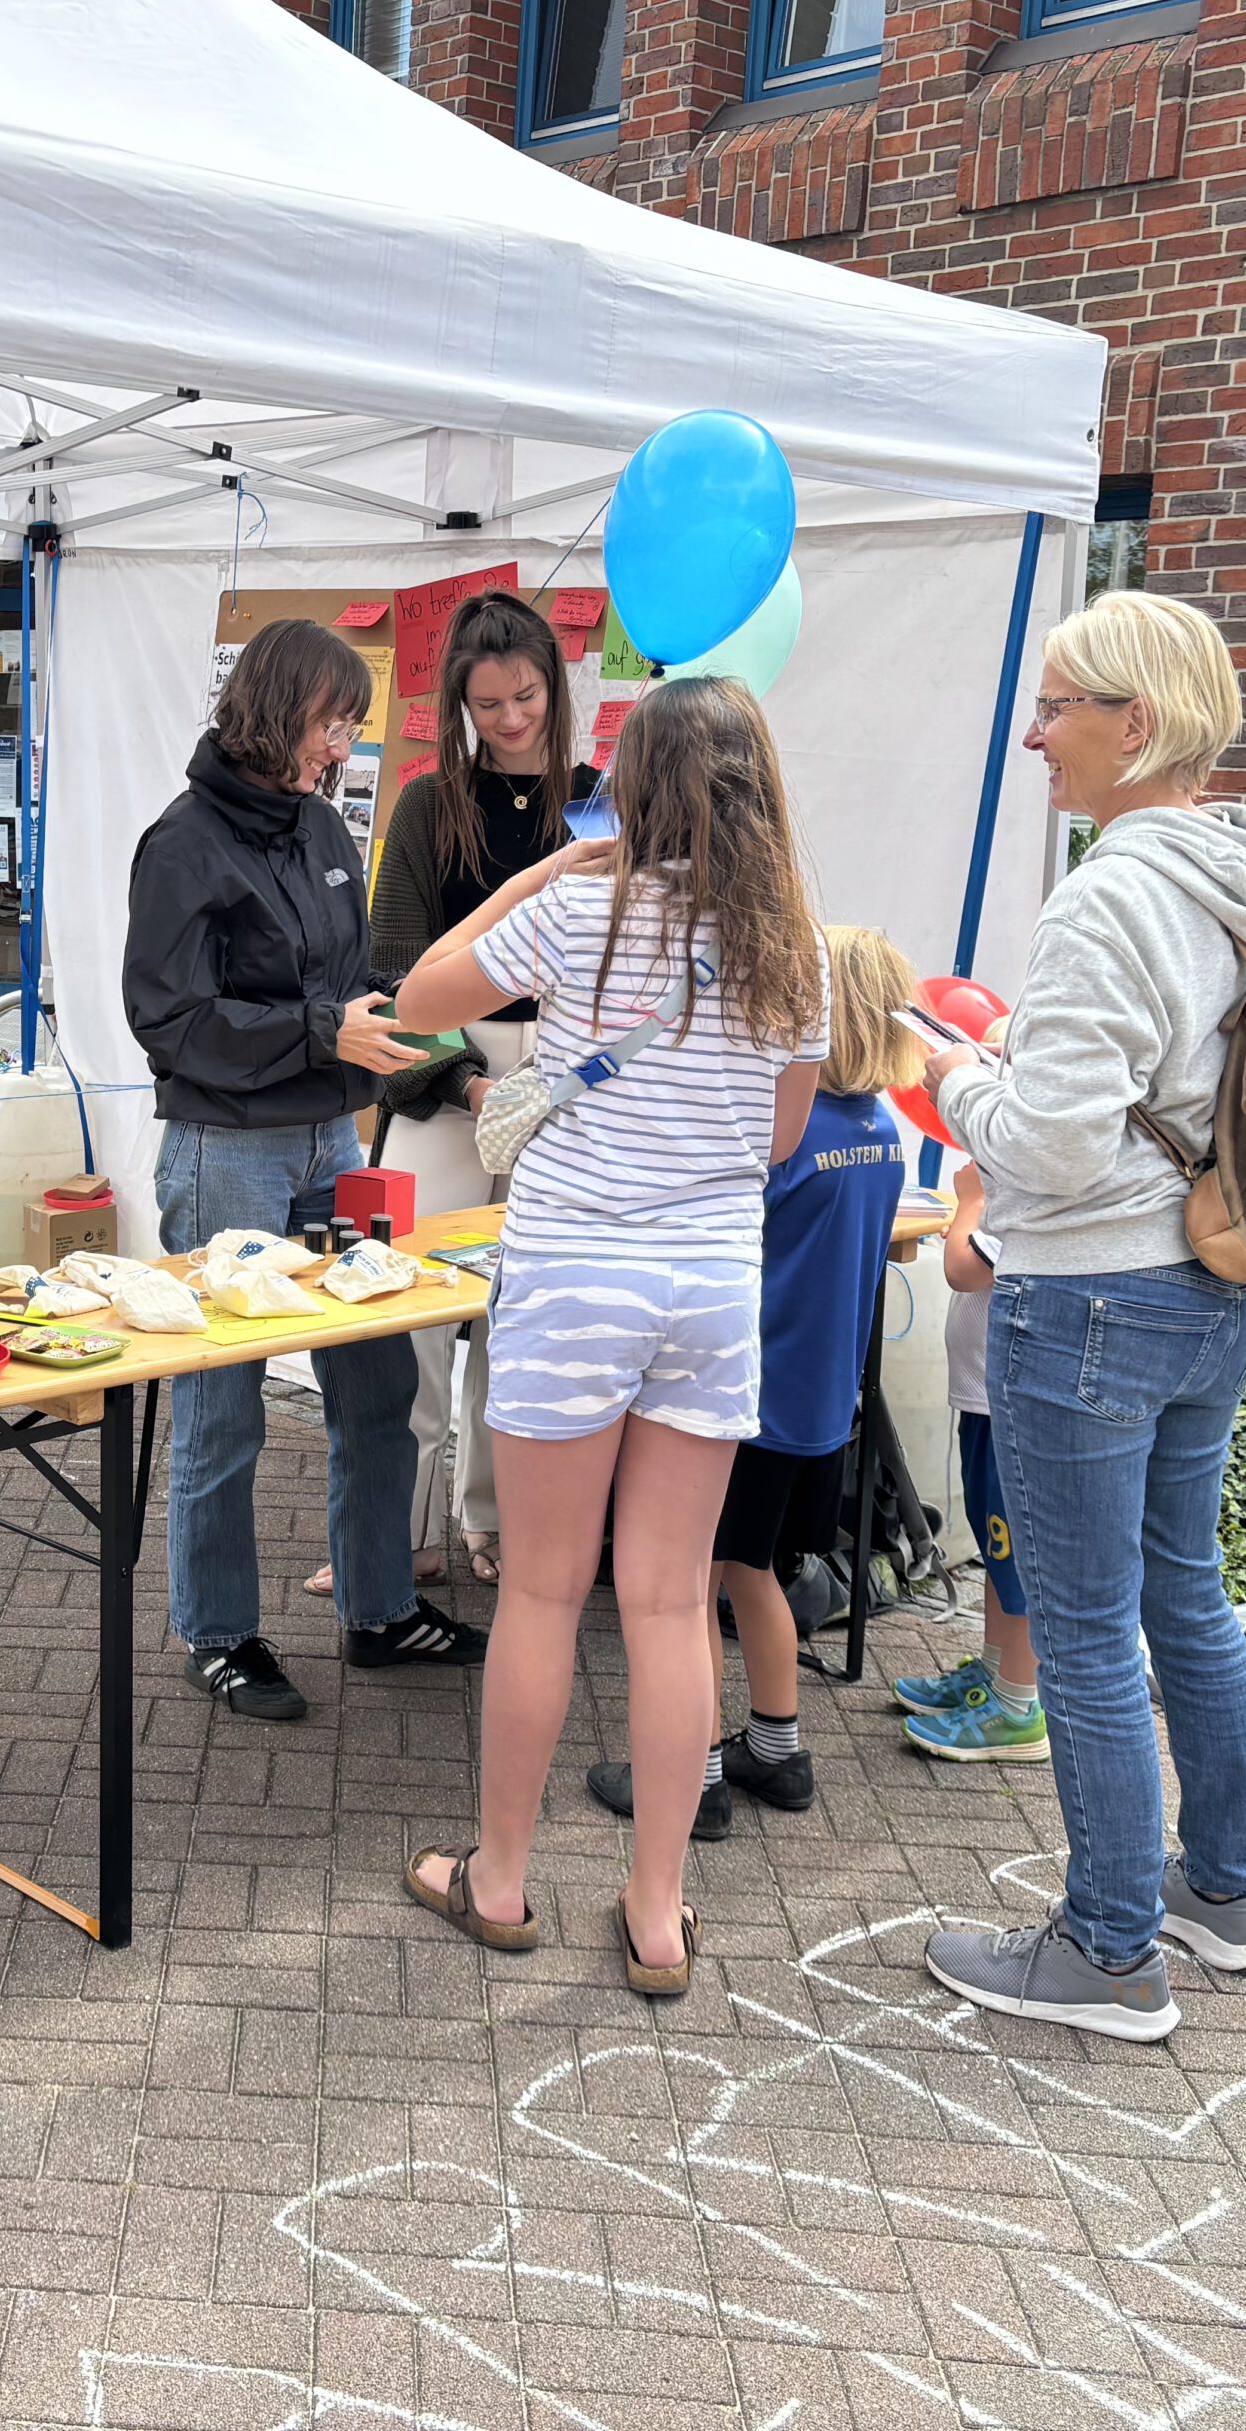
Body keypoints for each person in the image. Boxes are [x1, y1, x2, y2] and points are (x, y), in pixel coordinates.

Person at [394, 676, 827, 1992]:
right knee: (663, 1598)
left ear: (629, 791)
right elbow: (781, 1140)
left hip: (575, 1274)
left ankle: (504, 1878)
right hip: (706, 1288)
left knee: (537, 1587)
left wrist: (540, 881)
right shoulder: (792, 945)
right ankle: (655, 1913)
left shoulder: (578, 912)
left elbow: (417, 996)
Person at [920, 589, 1246, 2042]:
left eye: (1060, 706)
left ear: (1134, 725)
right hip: (1219, 1273)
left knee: (1082, 1633)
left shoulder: (1106, 894)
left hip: (1088, 1293)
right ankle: (1229, 1891)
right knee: (1181, 1587)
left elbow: (1057, 1149)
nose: (1036, 737)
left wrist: (948, 1067)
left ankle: (1108, 1951)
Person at [122, 619, 488, 1722]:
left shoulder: (325, 828)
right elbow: (169, 1022)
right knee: (223, 1404)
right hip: (225, 1155)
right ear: (280, 713)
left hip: (336, 1147)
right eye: (333, 725)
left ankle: (378, 1609)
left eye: (349, 729)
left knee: (377, 1385)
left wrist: (436, 1041)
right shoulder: (180, 844)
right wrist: (320, 1034)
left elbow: (352, 981)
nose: (341, 748)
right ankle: (219, 1631)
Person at [585, 924, 914, 1833]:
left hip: (742, 1399)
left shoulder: (787, 1137)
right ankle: (777, 1750)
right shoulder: (882, 1132)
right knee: (752, 1571)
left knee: (686, 1584)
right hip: (820, 1404)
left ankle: (690, 1782)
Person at [363, 589, 599, 1591]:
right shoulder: (426, 802)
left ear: (554, 687)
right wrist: (465, 1084)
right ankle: (398, 1529)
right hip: (444, 1079)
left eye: (527, 696)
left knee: (527, 1319)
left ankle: (497, 1520)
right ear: (460, 701)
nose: (510, 719)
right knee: (407, 1311)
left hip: (567, 1080)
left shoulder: (594, 799)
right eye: (489, 702)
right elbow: (390, 970)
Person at [895, 1147, 1046, 1760]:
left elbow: (963, 1268)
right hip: (985, 1399)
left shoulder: (1035, 1185)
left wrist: (972, 1201)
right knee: (995, 1545)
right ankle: (992, 1675)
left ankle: (1018, 1706)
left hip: (1007, 1399)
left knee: (1016, 1558)